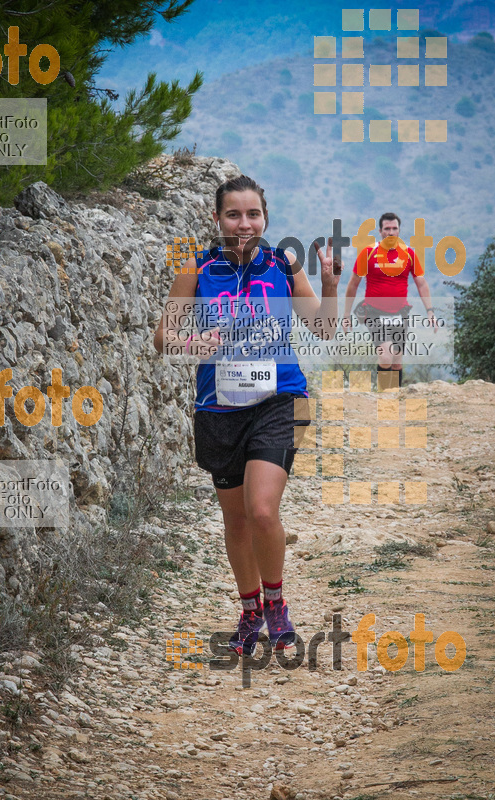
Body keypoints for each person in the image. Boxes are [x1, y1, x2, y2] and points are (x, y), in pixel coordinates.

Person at [154, 175, 341, 656]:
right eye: (233, 214)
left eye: (253, 214)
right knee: (235, 522)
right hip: (219, 407)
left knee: (261, 511)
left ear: (265, 217)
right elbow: (163, 338)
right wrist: (196, 342)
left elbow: (321, 327)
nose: (244, 223)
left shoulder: (283, 263)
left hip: (280, 399)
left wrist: (330, 284)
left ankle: (276, 604)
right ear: (217, 218)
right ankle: (250, 611)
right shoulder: (195, 268)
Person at [341, 212, 438, 387]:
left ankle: (394, 398)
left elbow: (421, 283)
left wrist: (430, 311)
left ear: (399, 231)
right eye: (387, 228)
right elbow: (352, 285)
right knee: (385, 356)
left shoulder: (408, 254)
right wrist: (346, 314)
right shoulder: (369, 253)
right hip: (374, 312)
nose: (391, 232)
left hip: (401, 313)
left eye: (394, 228)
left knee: (396, 361)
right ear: (380, 231)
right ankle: (385, 398)